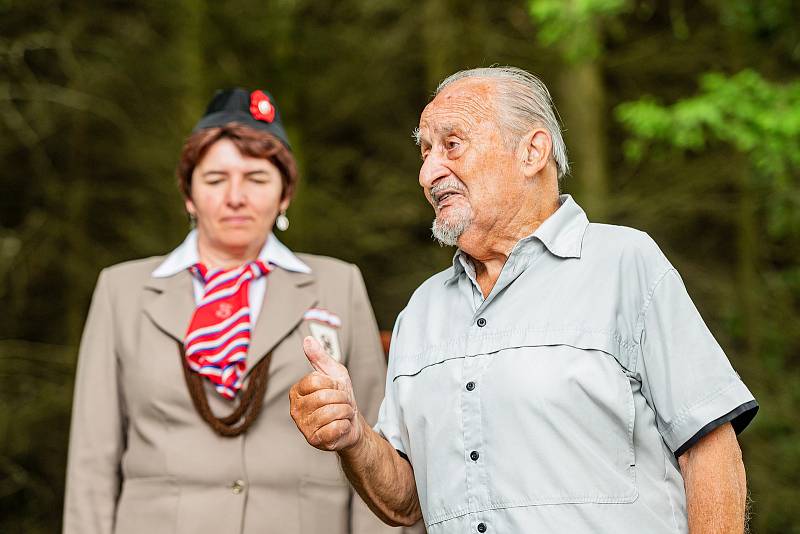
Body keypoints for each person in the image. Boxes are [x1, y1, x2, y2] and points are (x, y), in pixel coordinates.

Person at [289, 67, 758, 534]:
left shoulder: (624, 263)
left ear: (532, 151)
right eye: (425, 151)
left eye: (451, 144)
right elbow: (407, 502)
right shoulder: (421, 311)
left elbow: (710, 449)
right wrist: (353, 437)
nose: (428, 172)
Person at [63, 87, 412, 534]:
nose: (235, 197)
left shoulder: (338, 284)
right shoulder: (122, 290)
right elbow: (93, 460)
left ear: (285, 194)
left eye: (257, 178)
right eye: (214, 179)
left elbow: (373, 444)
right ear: (188, 194)